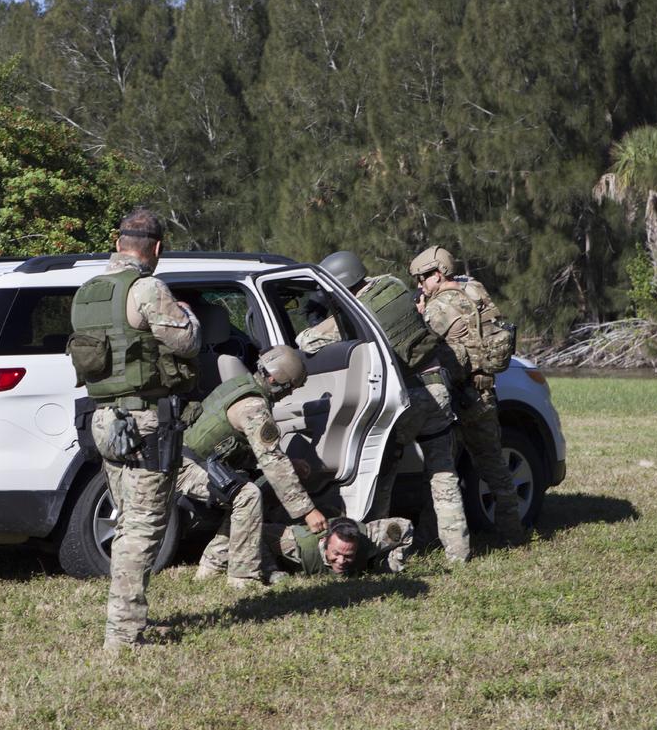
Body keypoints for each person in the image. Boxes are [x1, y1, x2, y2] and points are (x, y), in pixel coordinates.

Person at [67, 207, 201, 654]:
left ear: (117, 241)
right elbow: (186, 341)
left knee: (126, 518)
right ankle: (123, 633)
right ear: (157, 248)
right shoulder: (147, 288)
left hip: (104, 419)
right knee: (143, 527)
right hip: (143, 420)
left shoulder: (89, 291)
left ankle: (130, 618)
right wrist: (186, 313)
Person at [298, 251, 469, 563]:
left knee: (382, 473)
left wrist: (318, 322)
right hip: (437, 387)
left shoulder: (355, 310)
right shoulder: (391, 285)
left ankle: (377, 548)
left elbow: (307, 342)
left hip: (405, 397)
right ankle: (458, 552)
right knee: (443, 474)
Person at [177, 345, 326, 587]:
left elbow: (237, 447)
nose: (287, 395)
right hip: (185, 468)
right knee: (247, 496)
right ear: (277, 381)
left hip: (194, 460)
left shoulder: (238, 385)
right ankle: (243, 577)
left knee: (244, 491)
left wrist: (290, 464)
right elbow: (272, 460)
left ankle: (211, 566)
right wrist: (307, 511)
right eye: (289, 389)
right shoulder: (254, 407)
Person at [411, 245, 526, 545]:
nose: (420, 285)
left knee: (440, 473)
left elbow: (422, 348)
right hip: (484, 392)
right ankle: (513, 533)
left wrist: (421, 314)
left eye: (423, 278)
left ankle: (431, 536)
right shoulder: (474, 289)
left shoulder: (437, 309)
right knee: (495, 468)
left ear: (438, 274)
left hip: (457, 398)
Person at [264, 516, 414, 578]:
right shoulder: (297, 545)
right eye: (336, 553)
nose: (341, 561)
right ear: (325, 542)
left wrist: (389, 568)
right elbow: (254, 534)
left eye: (349, 555)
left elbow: (405, 527)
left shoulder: (369, 540)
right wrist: (272, 573)